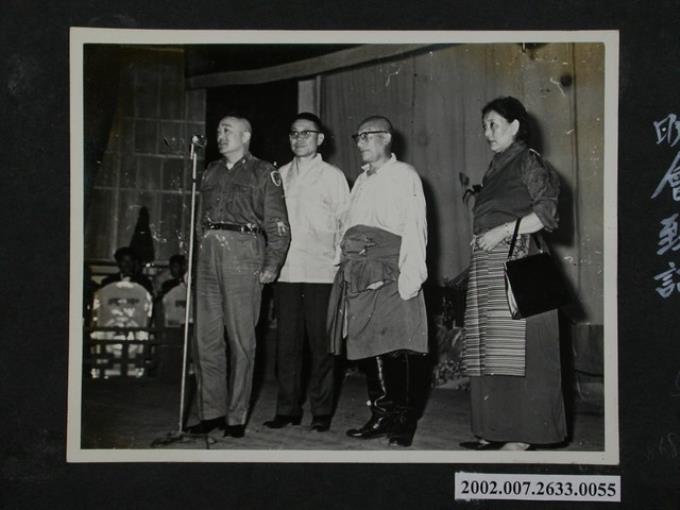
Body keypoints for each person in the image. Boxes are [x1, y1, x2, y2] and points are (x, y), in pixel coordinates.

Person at [459, 96, 566, 451]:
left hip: (523, 263)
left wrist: (502, 231)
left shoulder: (529, 161)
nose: (486, 132)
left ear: (515, 126)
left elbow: (547, 214)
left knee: (527, 354)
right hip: (490, 265)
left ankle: (523, 436)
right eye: (484, 126)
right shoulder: (495, 168)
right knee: (490, 351)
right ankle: (494, 429)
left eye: (494, 124)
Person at [185, 115, 290, 438]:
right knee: (206, 338)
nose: (220, 135)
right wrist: (192, 262)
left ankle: (236, 416)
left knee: (241, 340)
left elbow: (278, 226)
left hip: (244, 253)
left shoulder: (264, 172)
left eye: (227, 130)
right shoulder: (210, 171)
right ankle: (211, 412)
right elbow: (199, 222)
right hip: (208, 252)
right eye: (218, 130)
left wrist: (272, 264)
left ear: (245, 135)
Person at [328, 116, 428, 447]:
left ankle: (404, 421)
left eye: (366, 137)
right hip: (360, 272)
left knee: (398, 344)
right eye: (357, 137)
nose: (359, 143)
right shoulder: (361, 181)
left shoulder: (405, 175)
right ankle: (382, 414)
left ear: (385, 138)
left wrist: (411, 274)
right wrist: (341, 259)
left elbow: (415, 226)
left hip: (392, 268)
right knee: (369, 344)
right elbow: (348, 225)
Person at [263, 113, 349, 433]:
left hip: (322, 273)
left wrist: (339, 264)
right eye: (294, 133)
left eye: (306, 133)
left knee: (321, 346)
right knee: (286, 345)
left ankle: (321, 411)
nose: (299, 139)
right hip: (287, 272)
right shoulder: (279, 176)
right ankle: (287, 409)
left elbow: (346, 223)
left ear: (320, 139)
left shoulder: (333, 177)